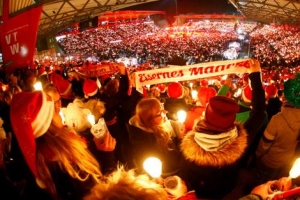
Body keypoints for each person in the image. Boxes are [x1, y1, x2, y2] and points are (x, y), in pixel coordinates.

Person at [179, 59, 267, 199]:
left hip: (201, 191)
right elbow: (259, 112)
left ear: (205, 117)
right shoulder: (242, 140)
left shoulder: (190, 146)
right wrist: (255, 77)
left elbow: (185, 174)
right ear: (233, 120)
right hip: (228, 187)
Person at [9, 91, 108, 200]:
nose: (59, 110)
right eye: (54, 111)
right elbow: (95, 191)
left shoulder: (52, 152)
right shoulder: (62, 164)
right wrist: (106, 155)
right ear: (47, 124)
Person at [254, 73, 300, 184]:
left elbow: (265, 144)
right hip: (286, 160)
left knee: (260, 181)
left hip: (269, 160)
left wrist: (257, 155)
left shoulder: (277, 119)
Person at [126, 97, 186, 176]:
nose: (165, 112)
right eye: (160, 113)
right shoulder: (152, 141)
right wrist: (181, 138)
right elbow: (174, 159)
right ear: (150, 120)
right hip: (168, 172)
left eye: (162, 108)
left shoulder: (157, 126)